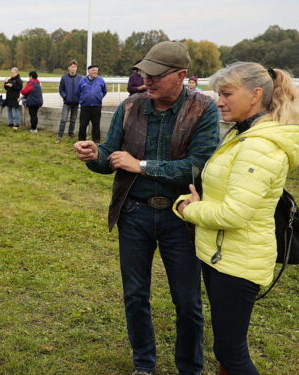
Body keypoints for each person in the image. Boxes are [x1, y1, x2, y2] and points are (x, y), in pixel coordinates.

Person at [74, 40, 220, 375]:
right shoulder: (131, 105)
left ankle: (190, 368)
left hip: (181, 216)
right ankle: (144, 364)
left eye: (156, 75)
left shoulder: (204, 109)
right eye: (144, 74)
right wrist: (92, 154)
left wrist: (141, 165)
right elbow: (111, 155)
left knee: (187, 301)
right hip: (134, 214)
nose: (147, 81)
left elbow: (198, 167)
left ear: (181, 75)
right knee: (135, 295)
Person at [175, 63, 299, 375]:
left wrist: (187, 209)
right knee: (225, 348)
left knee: (231, 352)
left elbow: (234, 213)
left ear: (256, 95)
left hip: (238, 262)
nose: (219, 101)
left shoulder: (258, 146)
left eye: (227, 93)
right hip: (224, 256)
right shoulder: (244, 135)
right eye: (218, 93)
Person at [76, 64, 107, 142]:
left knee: (96, 125)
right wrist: (83, 99)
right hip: (85, 107)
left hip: (97, 106)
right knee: (83, 125)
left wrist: (98, 97)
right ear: (88, 71)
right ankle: (81, 141)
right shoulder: (82, 81)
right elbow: (77, 92)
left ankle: (96, 141)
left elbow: (104, 91)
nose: (95, 72)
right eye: (93, 70)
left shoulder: (101, 80)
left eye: (96, 70)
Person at [57, 59, 82, 143]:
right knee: (63, 119)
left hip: (76, 103)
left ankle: (70, 134)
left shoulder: (80, 78)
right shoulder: (64, 77)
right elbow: (61, 89)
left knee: (73, 120)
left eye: (75, 67)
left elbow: (82, 89)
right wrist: (65, 96)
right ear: (68, 68)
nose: (73, 68)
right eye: (72, 67)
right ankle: (59, 136)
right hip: (67, 103)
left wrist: (80, 98)